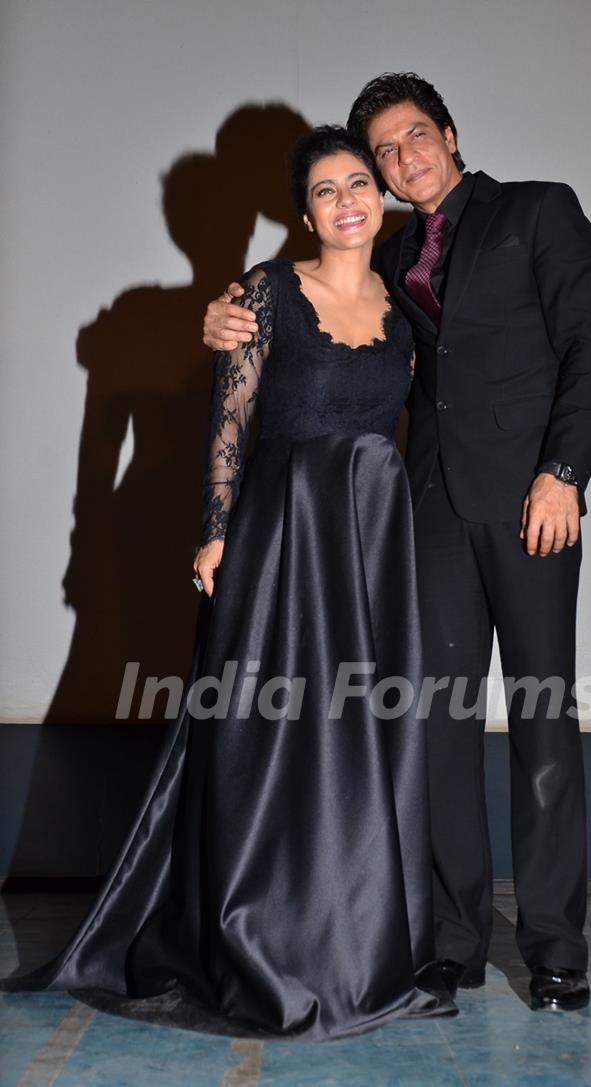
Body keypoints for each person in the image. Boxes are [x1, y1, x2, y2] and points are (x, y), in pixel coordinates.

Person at [1, 126, 456, 1039]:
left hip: (373, 546)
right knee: (261, 735)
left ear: (383, 194)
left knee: (357, 736)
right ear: (303, 213)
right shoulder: (265, 293)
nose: (346, 201)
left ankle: (353, 938)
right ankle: (261, 940)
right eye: (324, 191)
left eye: (358, 182)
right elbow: (230, 418)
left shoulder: (410, 307)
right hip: (282, 534)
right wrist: (215, 533)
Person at [203, 73, 591, 1012]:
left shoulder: (539, 211)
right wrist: (225, 315)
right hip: (425, 514)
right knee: (434, 725)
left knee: (545, 717)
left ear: (450, 134)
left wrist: (565, 473)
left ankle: (555, 946)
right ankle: (453, 937)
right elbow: (312, 313)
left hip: (531, 505)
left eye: (414, 137)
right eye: (383, 151)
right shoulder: (387, 254)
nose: (402, 159)